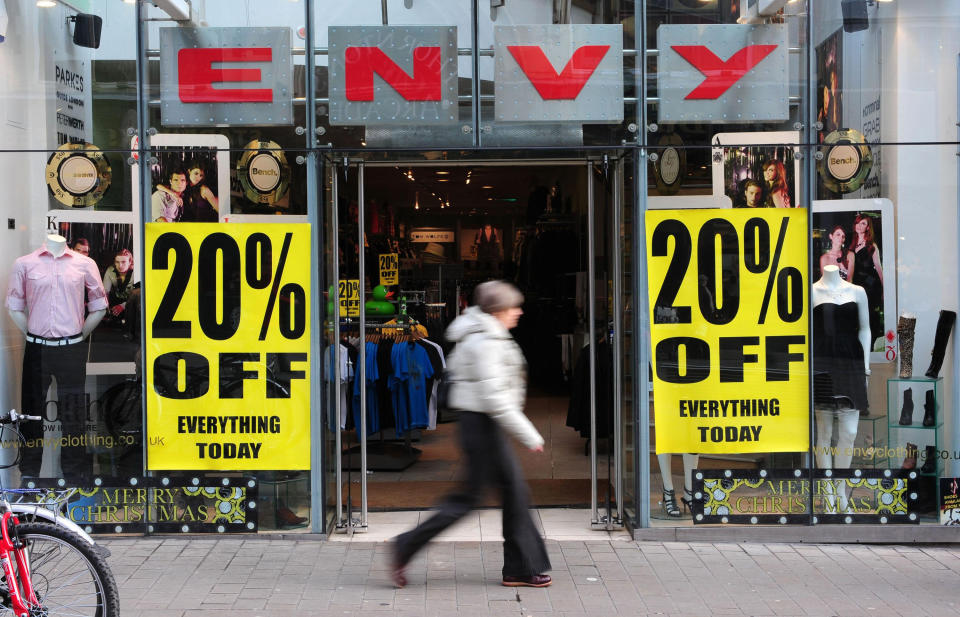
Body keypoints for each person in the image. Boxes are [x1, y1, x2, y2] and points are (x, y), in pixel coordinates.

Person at [392, 280, 551, 589]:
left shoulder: (485, 335)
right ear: (498, 310)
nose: (519, 312)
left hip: (482, 425)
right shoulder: (485, 342)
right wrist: (530, 435)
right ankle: (406, 546)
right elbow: (494, 397)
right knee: (471, 499)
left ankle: (521, 567)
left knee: (512, 495)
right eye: (513, 307)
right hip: (482, 425)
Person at [6, 234, 107, 480]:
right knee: (31, 415)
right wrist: (33, 334)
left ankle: (73, 480)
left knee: (73, 415)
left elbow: (100, 306)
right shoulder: (25, 263)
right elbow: (13, 306)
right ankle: (29, 479)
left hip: (71, 349)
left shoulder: (84, 264)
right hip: (36, 348)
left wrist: (76, 336)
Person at [811, 264, 871, 513]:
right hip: (822, 362)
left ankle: (841, 490)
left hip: (851, 363)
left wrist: (866, 367)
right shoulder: (812, 292)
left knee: (849, 431)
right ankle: (828, 494)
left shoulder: (857, 291)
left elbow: (866, 329)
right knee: (824, 432)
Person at [849, 214, 884, 347]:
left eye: (863, 223)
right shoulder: (852, 245)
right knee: (858, 316)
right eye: (858, 223)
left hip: (871, 285)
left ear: (868, 227)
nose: (859, 225)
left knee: (869, 316)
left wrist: (884, 290)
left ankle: (871, 345)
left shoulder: (872, 246)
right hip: (858, 284)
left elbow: (879, 269)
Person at [102, 249, 135, 325]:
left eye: (123, 262)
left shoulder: (136, 272)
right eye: (117, 262)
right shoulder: (110, 270)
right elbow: (105, 292)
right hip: (116, 300)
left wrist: (123, 306)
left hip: (133, 302)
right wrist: (105, 308)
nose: (120, 266)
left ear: (130, 262)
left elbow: (139, 296)